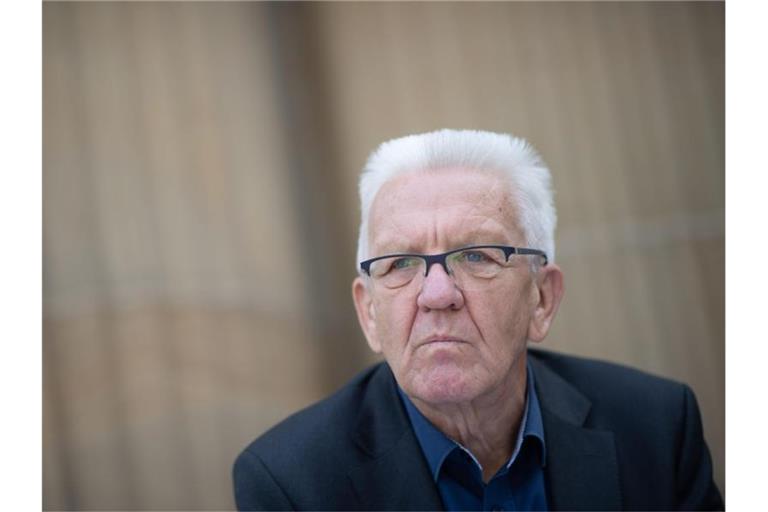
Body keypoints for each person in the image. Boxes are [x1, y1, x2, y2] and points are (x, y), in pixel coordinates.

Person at [233, 129, 723, 511]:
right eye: (400, 263)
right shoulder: (291, 483)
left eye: (476, 256)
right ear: (369, 313)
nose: (437, 294)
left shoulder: (656, 426)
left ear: (542, 298)